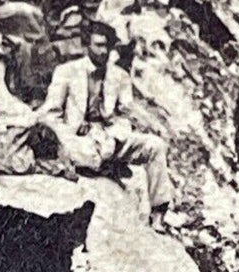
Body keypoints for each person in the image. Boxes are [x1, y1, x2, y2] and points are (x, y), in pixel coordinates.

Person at [40, 20, 173, 228]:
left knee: (155, 146)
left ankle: (158, 216)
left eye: (107, 46)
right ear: (86, 45)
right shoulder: (67, 71)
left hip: (110, 136)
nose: (103, 51)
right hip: (79, 139)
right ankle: (101, 166)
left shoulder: (119, 76)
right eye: (98, 45)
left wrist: (122, 132)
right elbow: (50, 114)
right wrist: (67, 135)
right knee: (84, 154)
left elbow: (127, 112)